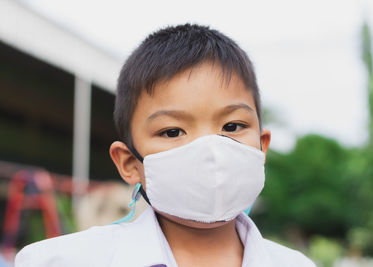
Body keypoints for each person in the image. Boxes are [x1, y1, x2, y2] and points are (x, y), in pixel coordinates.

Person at [15, 24, 316, 267]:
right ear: (129, 163)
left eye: (232, 126)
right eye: (173, 131)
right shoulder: (58, 262)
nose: (209, 150)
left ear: (261, 148)